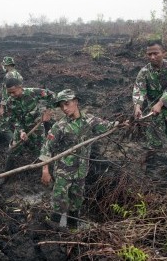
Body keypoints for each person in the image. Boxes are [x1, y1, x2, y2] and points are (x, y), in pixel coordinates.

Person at [39, 89, 121, 229]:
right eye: (61, 106)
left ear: (75, 102)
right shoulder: (59, 127)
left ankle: (72, 230)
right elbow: (46, 148)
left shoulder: (90, 121)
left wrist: (124, 123)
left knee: (76, 202)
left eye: (67, 103)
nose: (64, 108)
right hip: (64, 173)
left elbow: (109, 126)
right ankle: (52, 229)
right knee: (59, 201)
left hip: (81, 173)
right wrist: (45, 170)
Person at [132, 40, 167, 163]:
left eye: (155, 53)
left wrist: (160, 104)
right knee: (153, 138)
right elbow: (139, 89)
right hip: (153, 111)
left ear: (164, 53)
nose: (152, 57)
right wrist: (137, 107)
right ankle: (150, 165)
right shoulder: (144, 71)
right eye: (149, 54)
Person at [2, 78, 54, 171]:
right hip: (21, 128)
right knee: (13, 149)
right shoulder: (10, 102)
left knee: (42, 150)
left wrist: (48, 111)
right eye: (9, 93)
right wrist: (21, 131)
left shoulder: (32, 92)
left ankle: (47, 173)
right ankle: (6, 173)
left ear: (20, 87)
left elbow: (51, 95)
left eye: (13, 92)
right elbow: (13, 119)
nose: (11, 95)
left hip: (36, 126)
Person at [0, 56, 23, 143]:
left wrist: (2, 107)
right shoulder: (18, 75)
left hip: (9, 104)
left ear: (6, 65)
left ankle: (15, 144)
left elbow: (6, 93)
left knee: (3, 127)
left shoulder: (8, 76)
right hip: (18, 102)